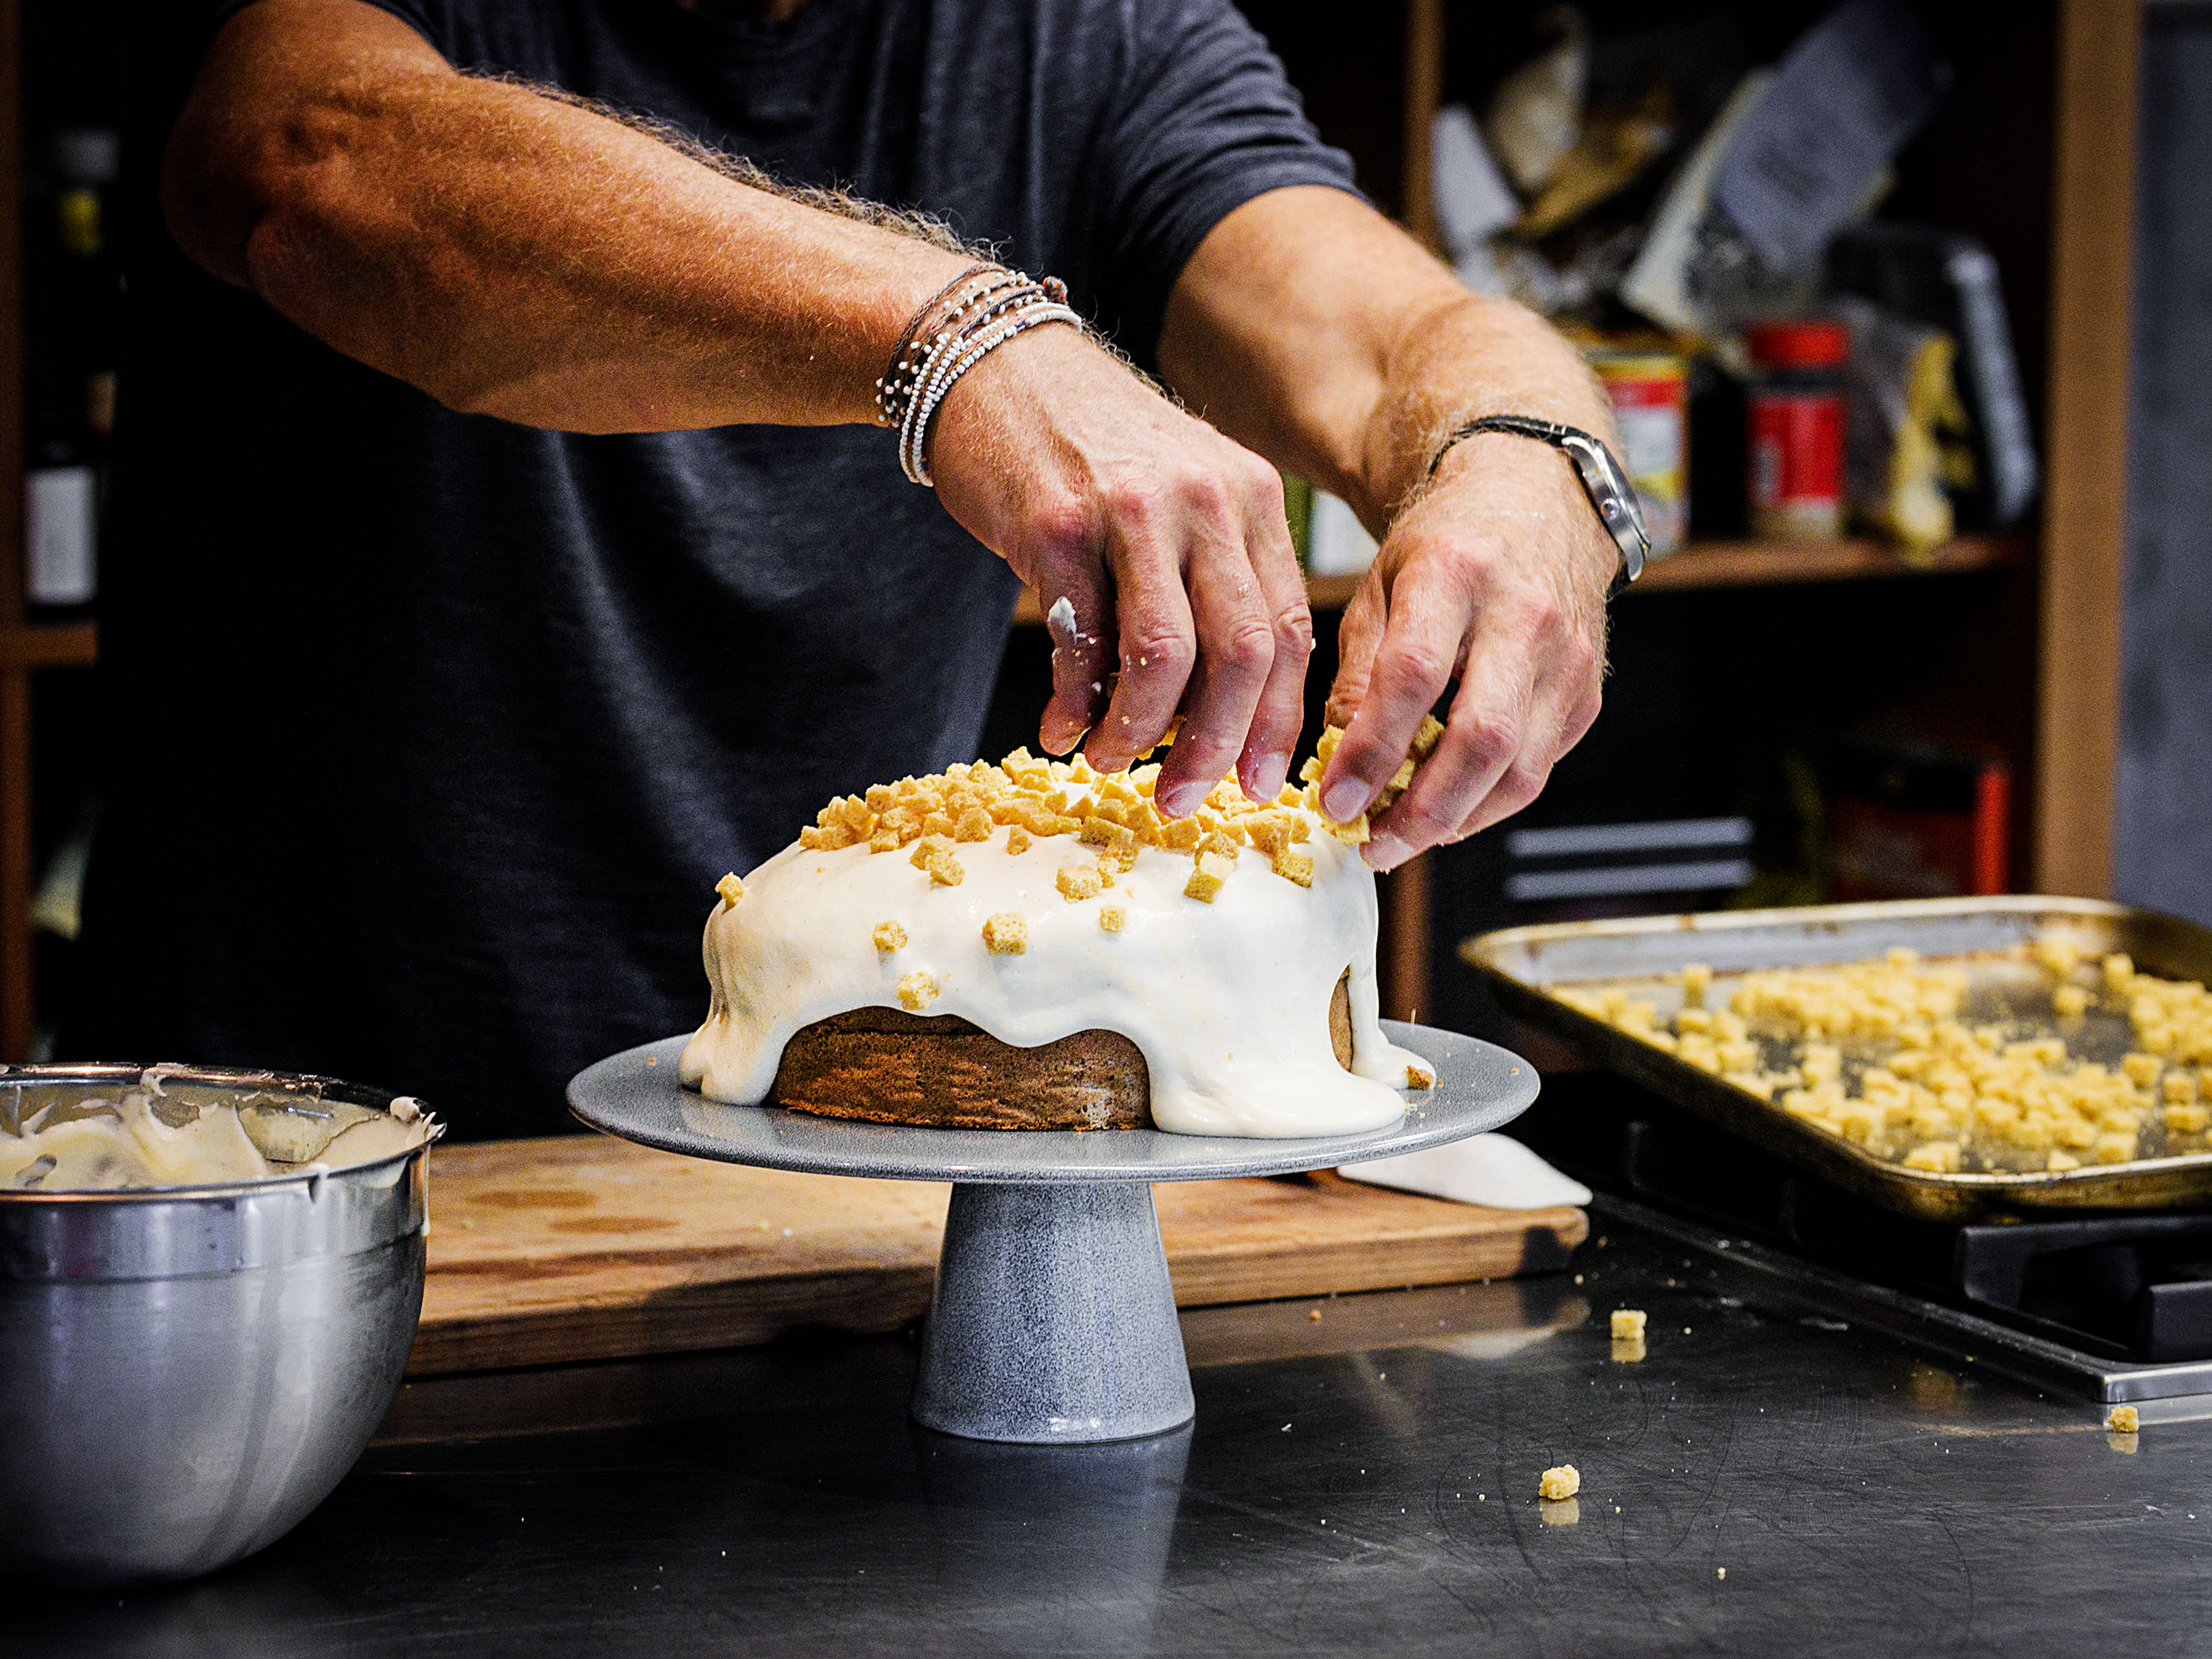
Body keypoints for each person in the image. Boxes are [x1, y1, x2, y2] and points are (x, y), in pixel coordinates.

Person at [78, 0, 1616, 1135]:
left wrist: (1526, 454)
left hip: (858, 1168)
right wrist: (961, 337)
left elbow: (1386, 333)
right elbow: (312, 165)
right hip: (294, 1170)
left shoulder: (1088, 38)